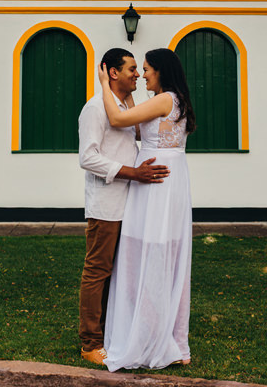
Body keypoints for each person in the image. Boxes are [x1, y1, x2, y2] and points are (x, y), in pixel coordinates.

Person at [97, 48, 197, 371]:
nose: (143, 75)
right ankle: (174, 337)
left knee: (150, 252)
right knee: (163, 254)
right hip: (166, 180)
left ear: (161, 72)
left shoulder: (166, 98)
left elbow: (117, 119)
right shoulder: (173, 101)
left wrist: (104, 84)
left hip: (157, 186)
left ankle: (149, 331)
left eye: (147, 69)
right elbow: (138, 128)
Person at [77, 47, 170, 366]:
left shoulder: (123, 106)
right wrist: (135, 173)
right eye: (131, 68)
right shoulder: (95, 109)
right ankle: (90, 343)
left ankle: (116, 333)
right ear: (112, 72)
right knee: (98, 271)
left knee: (120, 274)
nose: (138, 74)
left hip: (131, 203)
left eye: (139, 69)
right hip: (107, 205)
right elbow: (87, 158)